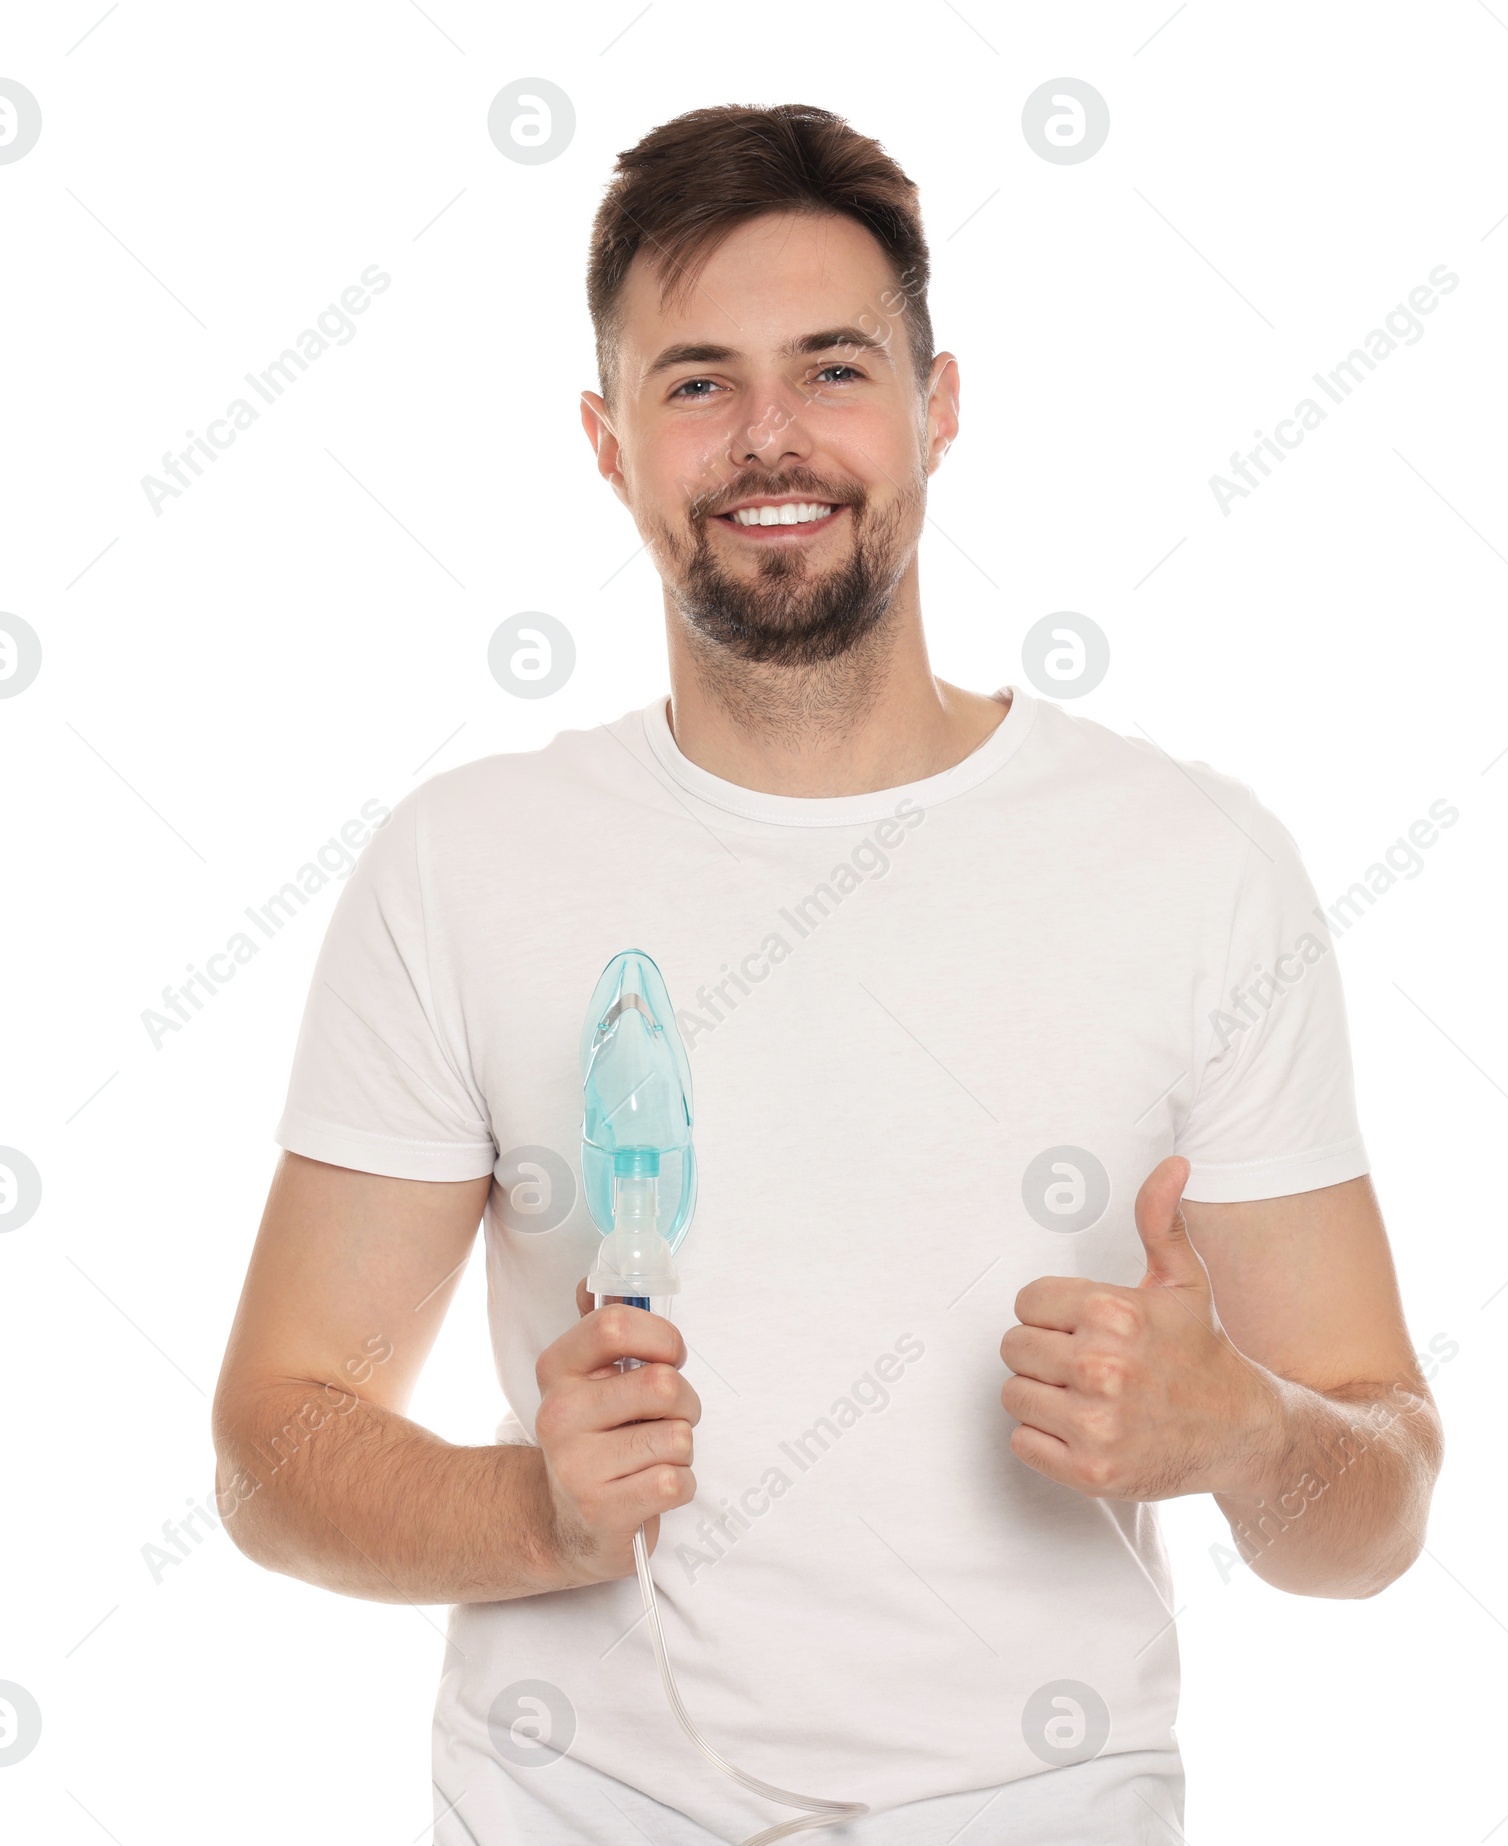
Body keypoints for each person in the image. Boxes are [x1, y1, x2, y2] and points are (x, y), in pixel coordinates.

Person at [211, 102, 1443, 1845]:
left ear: (940, 407)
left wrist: (1243, 1433)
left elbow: (1379, 1503)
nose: (769, 437)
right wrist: (541, 1519)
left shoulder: (1194, 867)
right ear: (607, 440)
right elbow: (273, 1447)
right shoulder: (462, 864)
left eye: (836, 369)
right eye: (698, 380)